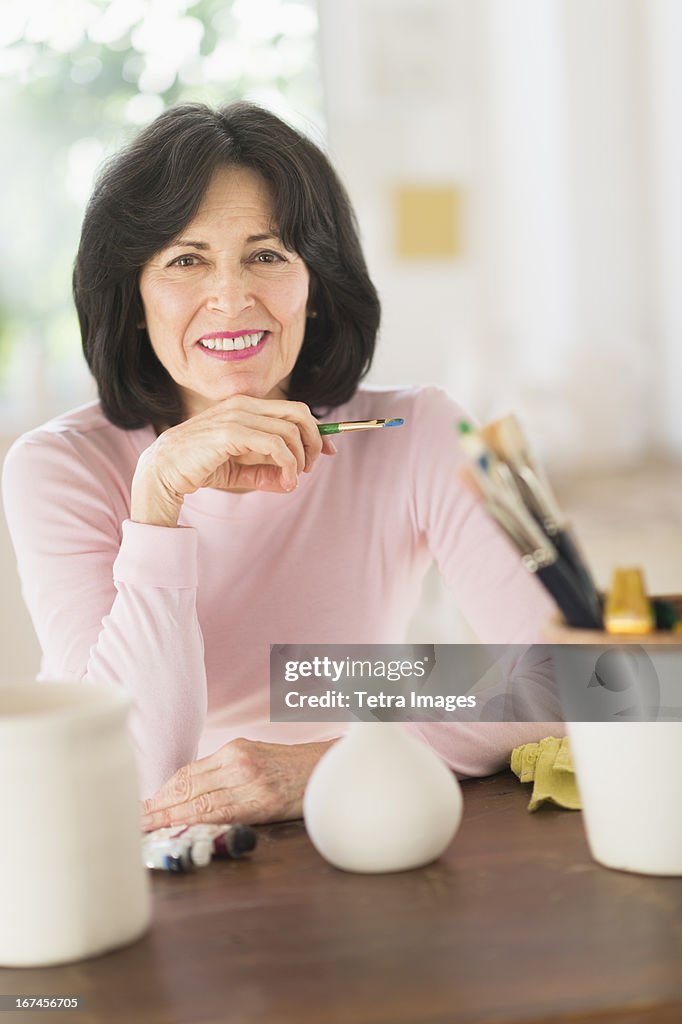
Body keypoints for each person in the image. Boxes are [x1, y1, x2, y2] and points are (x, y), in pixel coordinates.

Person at [1, 102, 563, 829]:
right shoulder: (58, 466)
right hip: (128, 854)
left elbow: (578, 683)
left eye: (267, 255)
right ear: (134, 298)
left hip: (354, 812)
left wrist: (328, 760)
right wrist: (158, 503)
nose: (231, 299)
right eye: (185, 259)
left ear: (317, 285)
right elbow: (133, 772)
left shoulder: (419, 428)